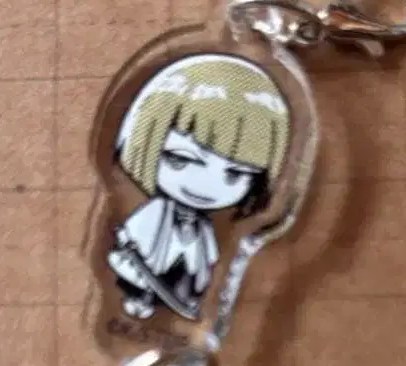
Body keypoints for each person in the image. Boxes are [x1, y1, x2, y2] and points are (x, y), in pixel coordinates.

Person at [107, 52, 291, 321]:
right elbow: (135, 239)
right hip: (149, 271)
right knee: (146, 277)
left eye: (236, 174)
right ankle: (140, 299)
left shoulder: (203, 228)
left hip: (184, 287)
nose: (206, 186)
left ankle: (184, 299)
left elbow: (209, 256)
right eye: (180, 159)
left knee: (189, 277)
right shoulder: (156, 214)